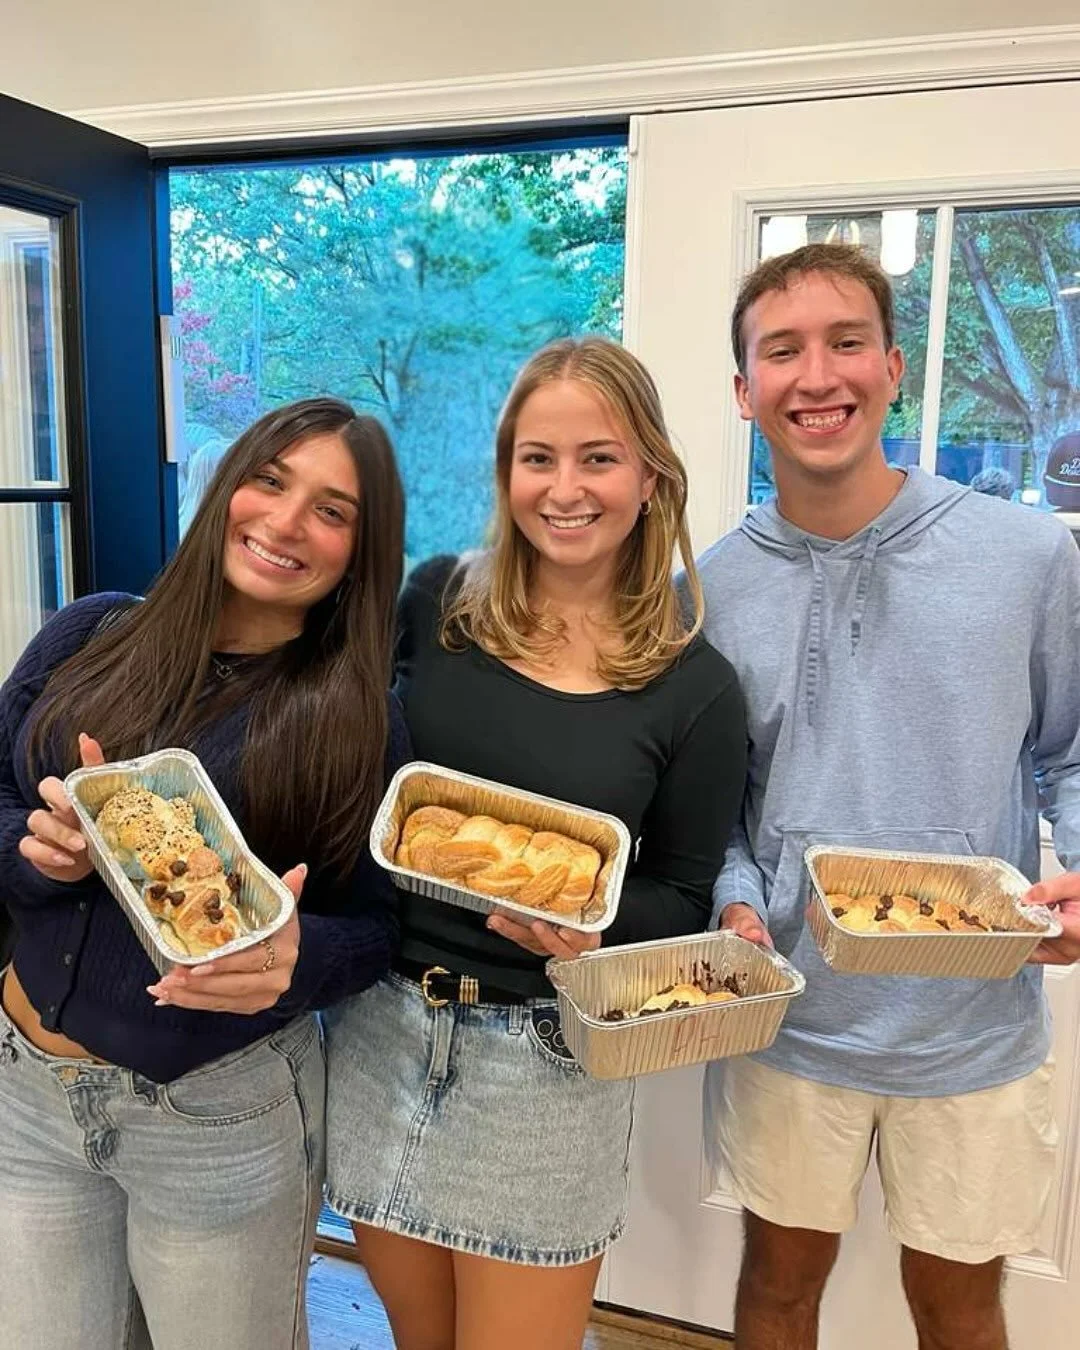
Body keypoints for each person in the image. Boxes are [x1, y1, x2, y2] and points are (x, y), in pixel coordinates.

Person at [324, 337, 747, 1350]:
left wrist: (595, 933)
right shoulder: (435, 604)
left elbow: (682, 895)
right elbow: (346, 763)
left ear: (651, 477)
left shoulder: (697, 689)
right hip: (384, 1031)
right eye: (537, 458)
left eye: (599, 458)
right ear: (505, 470)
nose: (565, 489)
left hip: (547, 1064)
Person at [694, 242, 1080, 1350]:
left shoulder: (1025, 559)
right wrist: (735, 899)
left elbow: (1071, 750)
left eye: (847, 342)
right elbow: (717, 808)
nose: (818, 377)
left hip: (971, 1021)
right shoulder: (708, 592)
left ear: (894, 369)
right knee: (777, 1289)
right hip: (790, 1019)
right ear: (745, 391)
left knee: (959, 1307)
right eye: (783, 352)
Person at [0, 398, 408, 1350]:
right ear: (227, 485)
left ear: (360, 551)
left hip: (215, 1117)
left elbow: (379, 926)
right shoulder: (90, 634)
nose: (285, 521)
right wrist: (35, 852)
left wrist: (297, 959)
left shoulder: (354, 716)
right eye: (269, 480)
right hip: (26, 1095)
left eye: (331, 511)